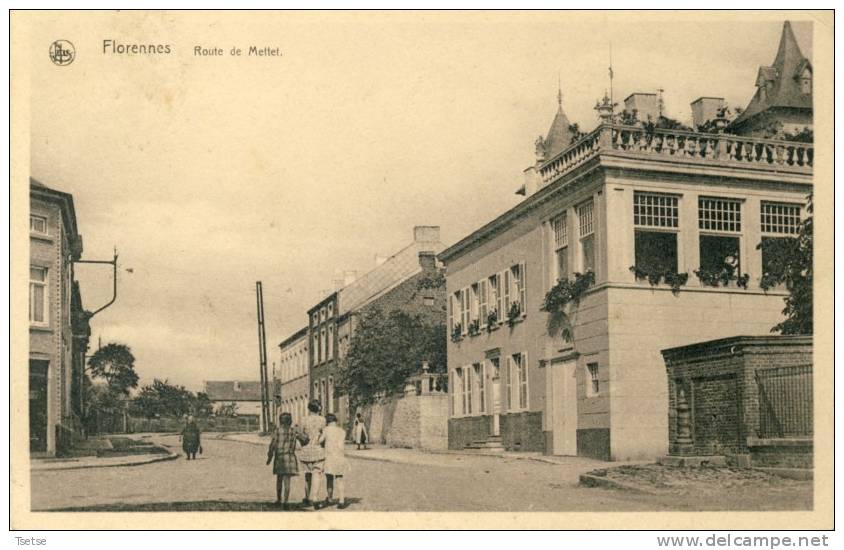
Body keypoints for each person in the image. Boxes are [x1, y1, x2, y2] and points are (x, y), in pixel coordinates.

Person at [267, 412, 309, 509]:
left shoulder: (277, 431)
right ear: (290, 421)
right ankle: (286, 501)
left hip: (279, 457)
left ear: (280, 421)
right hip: (290, 457)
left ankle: (279, 499)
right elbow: (306, 440)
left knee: (279, 480)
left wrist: (269, 457)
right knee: (287, 481)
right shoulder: (294, 431)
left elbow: (272, 445)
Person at [297, 399, 327, 509]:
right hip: (318, 450)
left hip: (306, 451)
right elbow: (324, 434)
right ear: (319, 409)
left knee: (307, 475)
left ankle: (306, 497)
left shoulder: (303, 420)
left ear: (309, 408)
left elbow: (300, 433)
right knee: (317, 474)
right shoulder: (322, 420)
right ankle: (315, 497)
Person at [320, 413, 350, 509]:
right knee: (339, 479)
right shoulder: (342, 431)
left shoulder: (326, 430)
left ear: (327, 422)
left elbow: (320, 441)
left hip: (329, 457)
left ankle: (330, 498)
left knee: (329, 479)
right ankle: (341, 500)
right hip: (340, 456)